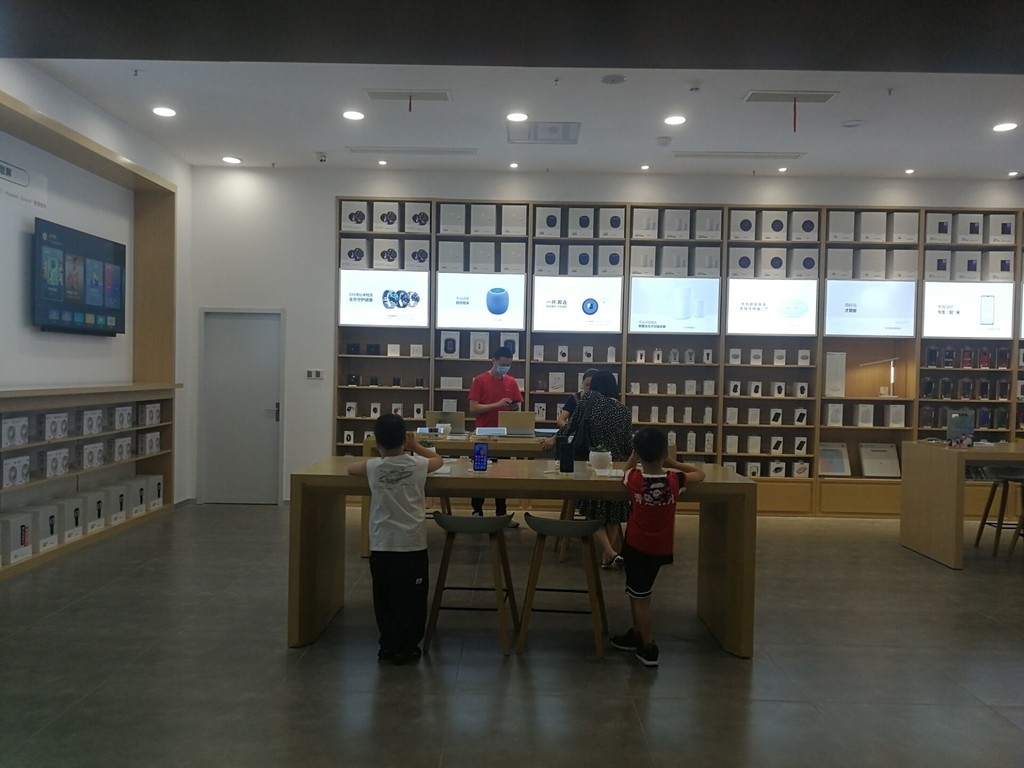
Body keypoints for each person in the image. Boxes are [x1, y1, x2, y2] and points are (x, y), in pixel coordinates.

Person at [348, 413, 444, 664]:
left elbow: (350, 468)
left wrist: (378, 456)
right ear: (404, 439)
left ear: (376, 442)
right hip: (411, 544)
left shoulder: (373, 467)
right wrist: (415, 446)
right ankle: (407, 646)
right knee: (412, 599)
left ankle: (387, 644)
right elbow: (438, 460)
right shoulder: (418, 464)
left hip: (381, 545)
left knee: (384, 598)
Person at [610, 426, 705, 667]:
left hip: (636, 546)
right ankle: (637, 634)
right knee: (638, 591)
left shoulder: (635, 479)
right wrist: (672, 462)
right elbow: (700, 474)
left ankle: (648, 646)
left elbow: (625, 471)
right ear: (664, 453)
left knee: (641, 597)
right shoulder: (674, 480)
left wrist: (633, 458)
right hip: (660, 548)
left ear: (638, 454)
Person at [542, 370, 633, 566]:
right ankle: (608, 556)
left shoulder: (589, 399)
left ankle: (609, 552)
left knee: (592, 510)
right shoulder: (624, 410)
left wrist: (554, 438)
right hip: (616, 467)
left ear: (596, 385)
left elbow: (570, 427)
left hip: (592, 464)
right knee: (614, 513)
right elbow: (628, 446)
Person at [468, 344, 524, 526]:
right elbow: (473, 408)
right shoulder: (480, 380)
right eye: (502, 364)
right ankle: (477, 512)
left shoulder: (511, 382)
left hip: (504, 435)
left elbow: (517, 406)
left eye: (508, 365)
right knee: (479, 474)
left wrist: (514, 407)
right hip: (482, 434)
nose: (505, 368)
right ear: (493, 361)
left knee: (503, 475)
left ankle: (502, 513)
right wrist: (497, 404)